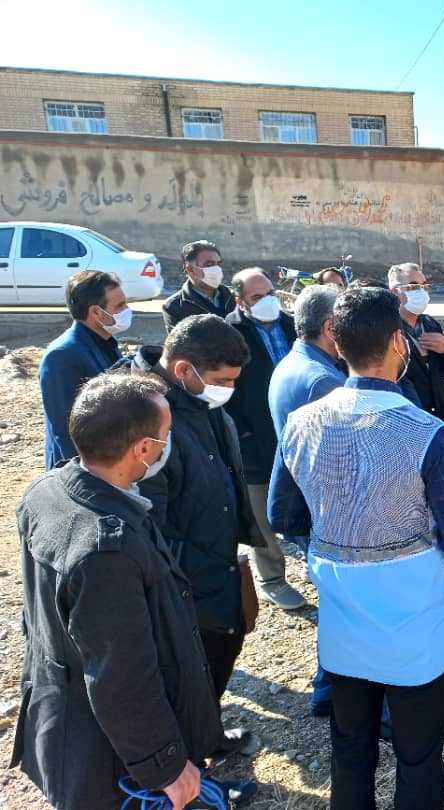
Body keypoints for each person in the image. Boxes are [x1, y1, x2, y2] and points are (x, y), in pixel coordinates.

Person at [269, 287, 444, 810]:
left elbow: (283, 516)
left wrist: (340, 522)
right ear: (398, 343)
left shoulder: (301, 423)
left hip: (343, 621)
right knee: (418, 757)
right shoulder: (426, 432)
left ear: (336, 344)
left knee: (350, 750)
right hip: (416, 625)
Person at [12, 372, 224, 810]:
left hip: (66, 720)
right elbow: (121, 677)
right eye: (166, 434)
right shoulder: (107, 550)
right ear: (143, 449)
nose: (169, 444)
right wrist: (165, 766)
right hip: (108, 760)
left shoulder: (45, 490)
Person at [129, 316, 263, 741]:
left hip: (214, 562)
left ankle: (207, 739)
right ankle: (189, 761)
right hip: (184, 580)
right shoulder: (146, 417)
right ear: (184, 369)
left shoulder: (195, 400)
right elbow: (149, 524)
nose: (229, 390)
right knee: (187, 673)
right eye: (223, 381)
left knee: (217, 660)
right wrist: (194, 578)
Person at [267, 285, 346, 717]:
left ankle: (328, 686)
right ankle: (329, 690)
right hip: (322, 512)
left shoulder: (292, 363)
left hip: (303, 503)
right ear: (331, 327)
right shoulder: (324, 381)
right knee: (341, 606)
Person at [389, 262, 444, 584]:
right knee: (414, 498)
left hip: (438, 420)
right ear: (395, 291)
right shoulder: (389, 331)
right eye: (413, 286)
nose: (421, 292)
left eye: (423, 285)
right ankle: (423, 560)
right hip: (407, 427)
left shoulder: (428, 324)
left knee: (442, 492)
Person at [225, 267, 306, 611]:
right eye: (257, 297)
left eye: (271, 293)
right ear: (240, 301)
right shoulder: (228, 335)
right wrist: (242, 435)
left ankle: (311, 558)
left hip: (299, 434)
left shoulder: (293, 326)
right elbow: (225, 392)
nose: (268, 301)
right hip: (255, 441)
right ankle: (273, 578)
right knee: (262, 517)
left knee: (306, 502)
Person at [39, 270, 128, 470]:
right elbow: (66, 429)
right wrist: (85, 477)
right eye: (120, 305)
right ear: (96, 312)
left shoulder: (106, 342)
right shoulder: (62, 355)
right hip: (85, 470)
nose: (127, 310)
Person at [162, 240, 235, 332]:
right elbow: (181, 339)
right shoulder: (175, 306)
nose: (216, 270)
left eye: (218, 264)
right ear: (190, 269)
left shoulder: (236, 297)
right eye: (209, 265)